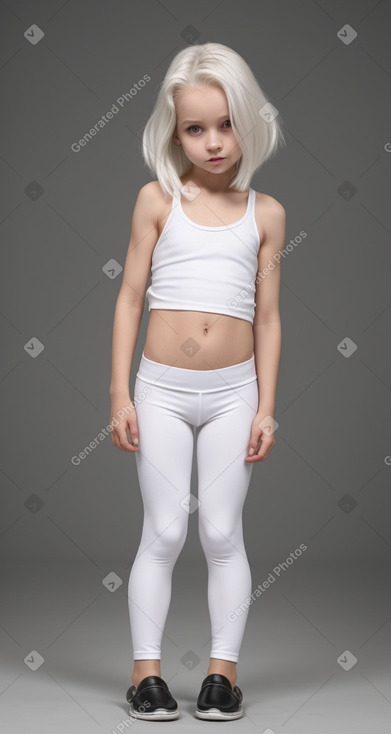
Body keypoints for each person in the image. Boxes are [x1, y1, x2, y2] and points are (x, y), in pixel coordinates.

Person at [109, 41, 286, 721]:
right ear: (173, 129)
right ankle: (145, 674)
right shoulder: (157, 200)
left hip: (232, 393)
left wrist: (266, 407)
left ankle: (221, 675)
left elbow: (266, 319)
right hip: (160, 389)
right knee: (161, 531)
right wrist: (119, 392)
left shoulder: (265, 214)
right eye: (194, 128)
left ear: (248, 119)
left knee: (220, 531)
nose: (213, 142)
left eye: (226, 124)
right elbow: (129, 296)